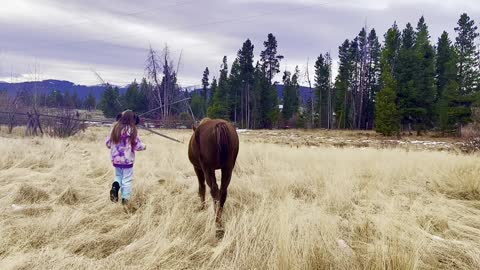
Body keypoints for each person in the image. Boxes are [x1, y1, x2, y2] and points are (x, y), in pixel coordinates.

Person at [106, 110, 146, 205]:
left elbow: (108, 143)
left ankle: (115, 187)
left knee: (118, 176)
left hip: (116, 159)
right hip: (127, 161)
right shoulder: (132, 130)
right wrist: (144, 146)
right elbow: (137, 145)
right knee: (127, 179)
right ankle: (125, 200)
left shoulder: (115, 128)